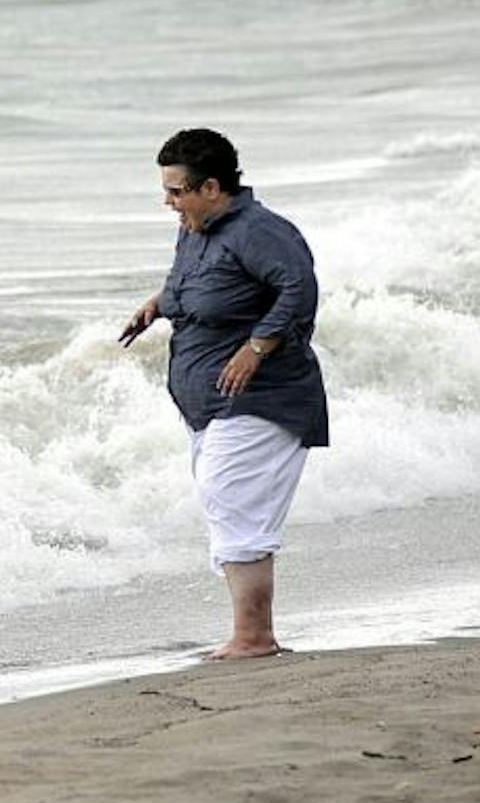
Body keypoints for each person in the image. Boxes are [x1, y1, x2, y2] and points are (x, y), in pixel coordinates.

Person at [120, 129, 328, 660]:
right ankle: (249, 631)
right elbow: (197, 282)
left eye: (176, 191)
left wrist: (257, 346)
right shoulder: (196, 228)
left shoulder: (262, 232)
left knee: (231, 499)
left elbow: (299, 288)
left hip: (265, 396)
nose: (168, 203)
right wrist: (158, 304)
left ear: (211, 187)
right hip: (208, 402)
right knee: (223, 503)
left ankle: (254, 637)